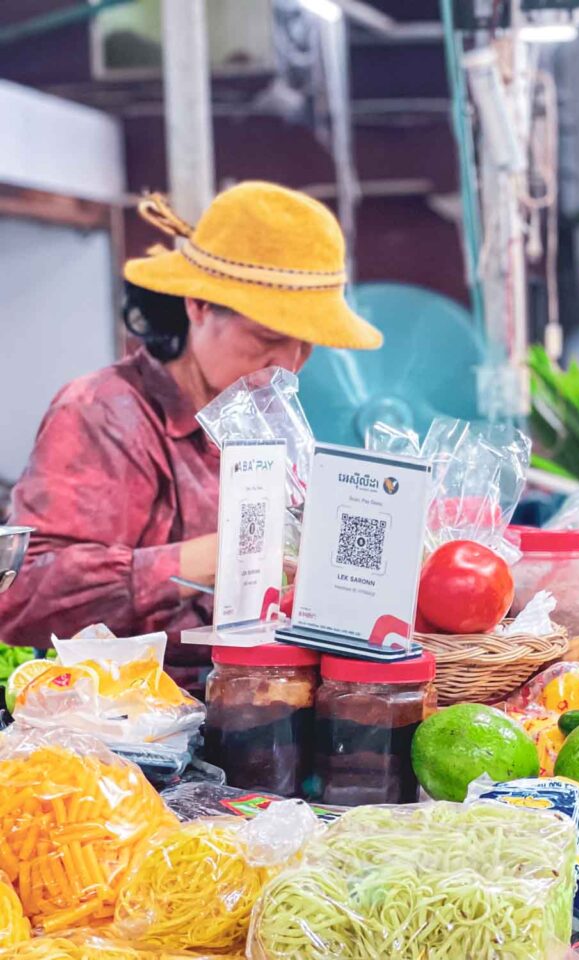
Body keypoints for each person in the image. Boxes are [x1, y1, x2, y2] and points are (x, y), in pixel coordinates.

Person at [0, 181, 382, 691]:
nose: (288, 367)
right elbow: (21, 596)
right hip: (128, 725)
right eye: (267, 339)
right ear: (198, 305)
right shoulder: (103, 413)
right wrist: (216, 555)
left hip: (253, 704)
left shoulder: (264, 417)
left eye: (306, 348)